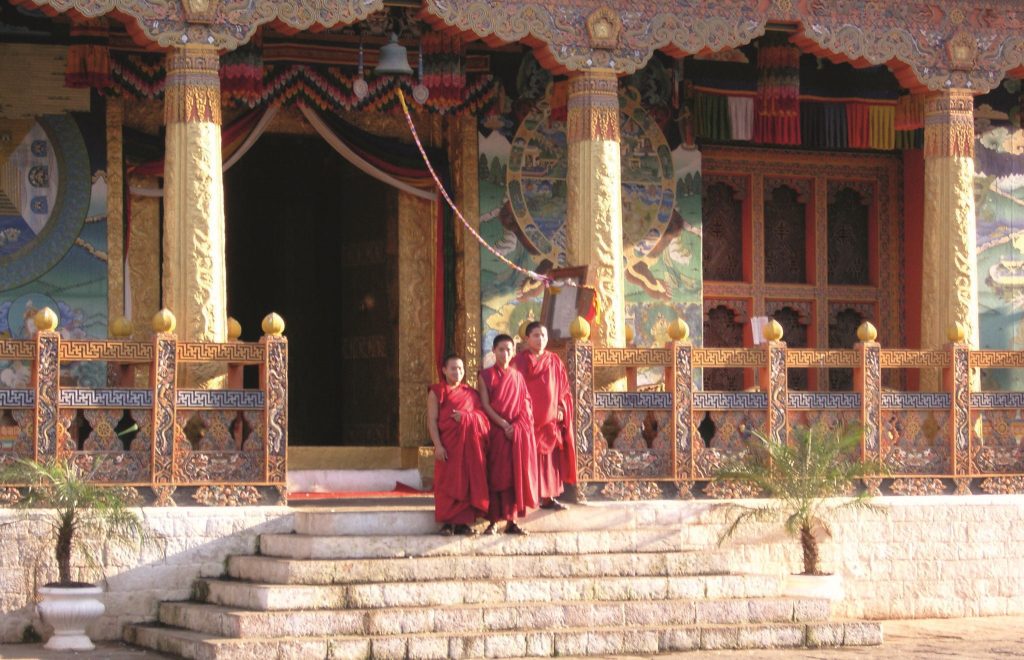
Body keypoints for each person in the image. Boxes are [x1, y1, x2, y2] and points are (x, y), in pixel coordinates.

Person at [478, 334, 539, 535]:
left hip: (514, 434)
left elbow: (525, 404)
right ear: (494, 351)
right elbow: (484, 404)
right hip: (495, 431)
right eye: (501, 349)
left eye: (509, 349)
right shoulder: (485, 375)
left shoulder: (518, 377)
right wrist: (503, 424)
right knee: (496, 476)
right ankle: (493, 521)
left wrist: (518, 426)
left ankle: (511, 521)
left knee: (513, 477)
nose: (505, 353)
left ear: (514, 352)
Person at [512, 322, 577, 510]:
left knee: (550, 461)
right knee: (529, 459)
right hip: (528, 420)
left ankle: (549, 497)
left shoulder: (554, 360)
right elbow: (514, 390)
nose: (540, 339)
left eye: (543, 335)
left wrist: (562, 407)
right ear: (527, 339)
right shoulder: (519, 362)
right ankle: (529, 497)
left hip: (550, 420)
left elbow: (564, 389)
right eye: (536, 335)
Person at [427, 354, 490, 535]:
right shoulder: (437, 392)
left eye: (460, 368)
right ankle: (447, 523)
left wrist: (467, 417)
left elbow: (483, 420)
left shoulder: (470, 393)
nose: (457, 372)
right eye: (453, 368)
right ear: (444, 370)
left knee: (466, 482)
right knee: (447, 483)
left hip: (467, 447)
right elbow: (432, 421)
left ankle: (463, 523)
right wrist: (437, 445)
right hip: (448, 446)